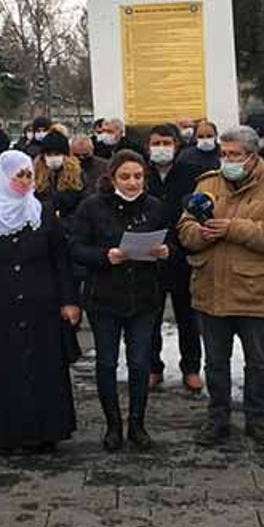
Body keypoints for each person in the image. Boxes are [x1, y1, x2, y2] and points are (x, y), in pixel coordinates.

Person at [178, 126, 264, 447]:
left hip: (255, 291)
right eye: (224, 154)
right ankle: (217, 419)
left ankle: (257, 419)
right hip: (211, 289)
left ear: (252, 156)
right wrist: (199, 235)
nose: (227, 160)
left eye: (234, 155)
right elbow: (185, 228)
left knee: (257, 363)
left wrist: (233, 229)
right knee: (215, 363)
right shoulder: (207, 184)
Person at [0, 151, 81, 455]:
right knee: (4, 371)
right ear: (3, 177)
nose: (24, 181)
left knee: (43, 370)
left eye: (28, 175)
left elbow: (60, 260)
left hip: (41, 305)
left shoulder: (42, 211)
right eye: (18, 175)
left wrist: (69, 300)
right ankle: (6, 434)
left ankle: (46, 431)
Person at [71, 150, 169, 451]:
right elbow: (75, 247)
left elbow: (172, 242)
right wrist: (105, 256)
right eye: (125, 177)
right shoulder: (92, 206)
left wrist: (166, 252)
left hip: (143, 296)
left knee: (140, 363)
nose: (132, 182)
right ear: (112, 177)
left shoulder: (154, 206)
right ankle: (113, 424)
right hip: (104, 296)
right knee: (106, 362)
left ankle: (137, 423)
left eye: (138, 176)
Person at [144, 124, 206, 391]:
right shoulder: (141, 174)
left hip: (183, 255)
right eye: (155, 143)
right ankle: (152, 367)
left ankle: (191, 368)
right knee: (149, 317)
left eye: (166, 142)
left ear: (177, 145)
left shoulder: (192, 174)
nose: (160, 148)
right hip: (147, 255)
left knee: (188, 318)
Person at [34, 131, 86, 221]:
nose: (53, 158)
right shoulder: (36, 176)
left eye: (57, 154)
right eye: (49, 154)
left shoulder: (77, 176)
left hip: (70, 226)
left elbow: (83, 204)